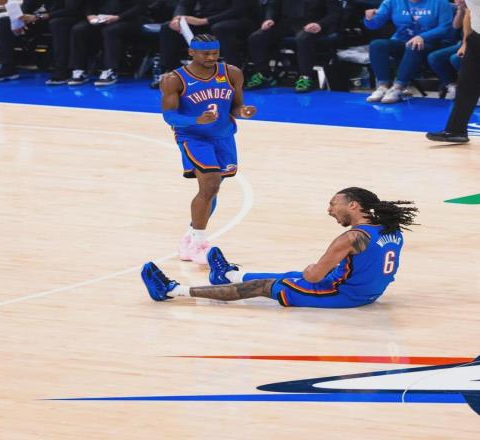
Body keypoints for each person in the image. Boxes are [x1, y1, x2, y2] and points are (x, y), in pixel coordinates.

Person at [141, 187, 419, 308]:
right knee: (290, 275)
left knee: (266, 286)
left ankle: (172, 290)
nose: (329, 210)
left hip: (343, 295)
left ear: (353, 205)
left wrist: (312, 270)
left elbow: (313, 277)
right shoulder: (392, 229)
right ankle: (228, 274)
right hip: (368, 292)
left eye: (333, 204)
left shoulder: (351, 238)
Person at [160, 34, 257, 264]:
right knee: (210, 183)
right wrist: (196, 120)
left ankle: (190, 236)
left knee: (212, 189)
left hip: (223, 137)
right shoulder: (174, 79)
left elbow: (236, 106)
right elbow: (169, 116)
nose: (212, 58)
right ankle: (198, 244)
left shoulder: (232, 73)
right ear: (191, 52)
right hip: (193, 137)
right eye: (206, 54)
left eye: (215, 53)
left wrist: (243, 112)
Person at [152, 0, 260, 88]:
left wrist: (204, 21)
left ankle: (234, 75)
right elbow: (184, 4)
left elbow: (239, 10)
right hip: (206, 20)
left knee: (220, 28)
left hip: (238, 19)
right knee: (168, 27)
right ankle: (173, 72)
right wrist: (177, 18)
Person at [364, 0, 453, 104]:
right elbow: (374, 25)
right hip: (402, 41)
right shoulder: (392, 1)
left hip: (431, 43)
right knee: (377, 45)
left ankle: (398, 88)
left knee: (414, 46)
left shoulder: (440, 2)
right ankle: (383, 87)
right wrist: (369, 18)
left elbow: (445, 27)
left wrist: (422, 36)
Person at [246, 0, 342, 93]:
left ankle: (306, 76)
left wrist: (320, 24)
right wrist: (269, 18)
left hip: (315, 24)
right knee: (257, 37)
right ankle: (264, 74)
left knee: (303, 37)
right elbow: (273, 6)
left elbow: (335, 13)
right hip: (287, 23)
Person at [427, 0, 480, 143]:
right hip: (476, 38)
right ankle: (456, 131)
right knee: (466, 85)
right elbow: (469, 13)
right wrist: (466, 42)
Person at [67, 0, 148, 86]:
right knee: (78, 30)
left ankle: (110, 70)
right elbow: (89, 3)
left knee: (110, 31)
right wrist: (90, 15)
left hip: (129, 18)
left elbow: (141, 6)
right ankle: (79, 69)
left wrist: (119, 17)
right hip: (102, 18)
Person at [426, 0, 467, 99]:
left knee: (456, 58)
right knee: (435, 57)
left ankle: (473, 87)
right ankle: (452, 86)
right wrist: (460, 10)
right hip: (464, 43)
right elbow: (456, 26)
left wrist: (466, 45)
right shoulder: (464, 9)